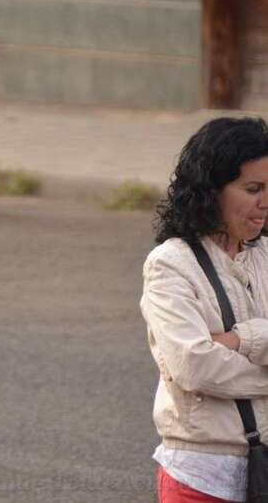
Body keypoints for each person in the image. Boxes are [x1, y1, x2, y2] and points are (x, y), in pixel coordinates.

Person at [142, 116, 268, 502]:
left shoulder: (265, 254)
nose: (265, 202)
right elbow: (195, 366)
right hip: (200, 475)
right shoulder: (171, 264)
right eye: (253, 189)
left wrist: (240, 340)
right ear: (211, 189)